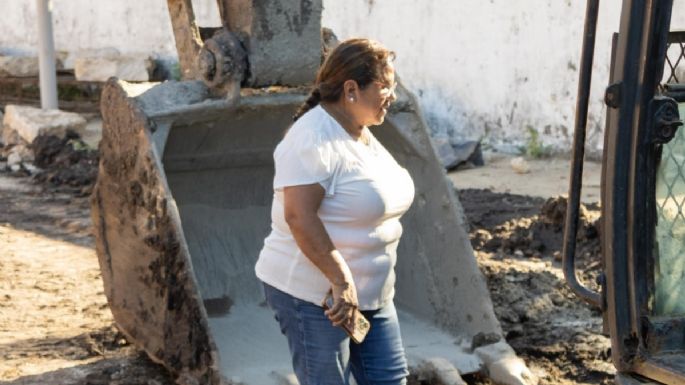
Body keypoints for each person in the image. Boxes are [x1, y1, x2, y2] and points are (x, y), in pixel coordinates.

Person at [255, 38, 415, 385]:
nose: (393, 96)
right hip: (316, 296)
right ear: (351, 89)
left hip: (370, 293)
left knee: (389, 380)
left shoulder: (359, 133)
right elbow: (299, 216)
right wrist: (341, 281)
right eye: (385, 86)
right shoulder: (312, 138)